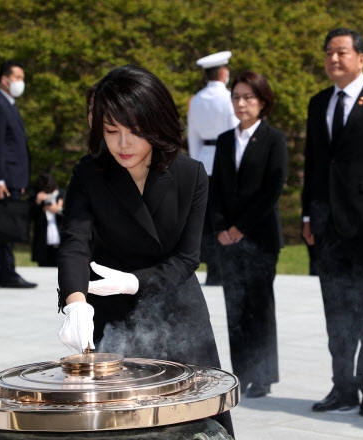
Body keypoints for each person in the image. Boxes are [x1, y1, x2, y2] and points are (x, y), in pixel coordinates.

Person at [56, 64, 234, 437]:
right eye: (110, 131)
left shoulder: (190, 174)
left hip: (177, 309)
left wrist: (135, 282)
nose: (122, 145)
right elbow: (75, 243)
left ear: (156, 123)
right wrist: (75, 302)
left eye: (134, 132)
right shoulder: (89, 175)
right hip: (108, 310)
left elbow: (187, 258)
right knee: (120, 422)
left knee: (194, 422)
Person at [301, 28, 363, 416]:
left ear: (361, 58)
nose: (333, 59)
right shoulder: (318, 102)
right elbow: (314, 163)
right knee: (336, 314)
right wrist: (309, 212)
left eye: (341, 52)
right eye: (328, 53)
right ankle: (342, 388)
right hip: (328, 228)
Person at [211, 71, 287, 399]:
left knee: (259, 306)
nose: (241, 103)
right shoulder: (226, 139)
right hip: (227, 238)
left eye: (248, 97)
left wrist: (240, 228)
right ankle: (242, 371)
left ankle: (264, 375)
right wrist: (219, 228)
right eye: (236, 97)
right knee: (235, 305)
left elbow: (272, 190)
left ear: (262, 101)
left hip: (259, 237)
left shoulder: (274, 139)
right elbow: (215, 189)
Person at [0, 60, 37, 288]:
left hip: (13, 177)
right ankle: (6, 273)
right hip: (3, 177)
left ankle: (2, 271)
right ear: (4, 79)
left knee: (5, 223)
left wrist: (21, 178)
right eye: (17, 78)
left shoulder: (9, 104)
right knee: (3, 224)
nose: (20, 83)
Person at [188, 51, 239, 286]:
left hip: (203, 159)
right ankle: (225, 266)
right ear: (222, 72)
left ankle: (212, 269)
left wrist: (195, 162)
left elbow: (193, 136)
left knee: (206, 219)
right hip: (226, 160)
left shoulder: (196, 99)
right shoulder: (229, 98)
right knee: (225, 215)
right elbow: (235, 131)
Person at [30, 172, 64, 267]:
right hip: (43, 243)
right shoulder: (35, 197)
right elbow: (29, 216)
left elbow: (73, 213)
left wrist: (58, 209)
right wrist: (37, 202)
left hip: (60, 241)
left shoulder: (62, 195)